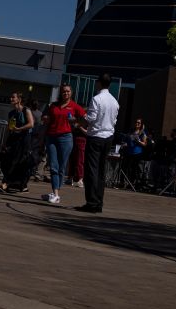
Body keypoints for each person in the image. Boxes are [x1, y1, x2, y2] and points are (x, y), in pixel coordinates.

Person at [75, 74, 118, 213]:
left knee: (91, 170)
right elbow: (114, 121)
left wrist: (78, 120)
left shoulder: (96, 99)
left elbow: (90, 119)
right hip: (108, 137)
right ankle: (98, 202)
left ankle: (91, 202)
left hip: (96, 137)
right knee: (100, 171)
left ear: (99, 83)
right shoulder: (114, 101)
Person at [40, 84, 84, 205]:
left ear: (71, 92)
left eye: (68, 91)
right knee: (53, 165)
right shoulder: (53, 105)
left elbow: (85, 117)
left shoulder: (74, 106)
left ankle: (55, 193)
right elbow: (45, 118)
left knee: (62, 166)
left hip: (66, 138)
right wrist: (45, 118)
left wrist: (76, 123)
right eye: (64, 91)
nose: (66, 93)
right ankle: (56, 194)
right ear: (61, 93)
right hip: (51, 137)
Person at [0, 91, 35, 192]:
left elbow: (31, 124)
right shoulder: (11, 113)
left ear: (19, 99)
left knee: (18, 163)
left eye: (13, 97)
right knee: (6, 161)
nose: (11, 99)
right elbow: (8, 129)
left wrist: (20, 129)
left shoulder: (26, 110)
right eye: (11, 97)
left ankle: (6, 184)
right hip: (13, 140)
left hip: (23, 140)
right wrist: (4, 142)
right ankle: (21, 185)